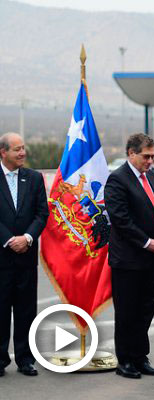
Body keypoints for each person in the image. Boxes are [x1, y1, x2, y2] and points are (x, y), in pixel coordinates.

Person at [105, 133, 154, 379]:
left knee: (147, 310)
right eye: (146, 156)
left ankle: (140, 356)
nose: (150, 161)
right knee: (127, 312)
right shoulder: (117, 180)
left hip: (153, 258)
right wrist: (146, 243)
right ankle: (125, 360)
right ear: (131, 153)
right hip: (128, 259)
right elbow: (120, 219)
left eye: (153, 156)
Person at [0, 133, 48, 378]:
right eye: (17, 149)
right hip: (2, 258)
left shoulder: (34, 178)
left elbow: (42, 213)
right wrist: (9, 240)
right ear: (3, 152)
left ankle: (25, 359)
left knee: (26, 310)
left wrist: (27, 238)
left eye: (23, 148)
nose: (22, 153)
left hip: (26, 257)